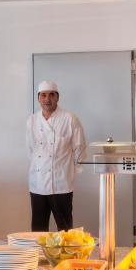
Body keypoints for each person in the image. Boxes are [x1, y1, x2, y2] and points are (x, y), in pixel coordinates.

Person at [26, 80, 87, 232]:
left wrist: (73, 172)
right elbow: (31, 149)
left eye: (51, 95)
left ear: (57, 97)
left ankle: (67, 256)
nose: (47, 99)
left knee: (65, 229)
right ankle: (39, 255)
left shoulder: (69, 118)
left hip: (61, 183)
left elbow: (79, 147)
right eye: (43, 95)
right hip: (38, 183)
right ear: (38, 98)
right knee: (38, 230)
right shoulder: (32, 120)